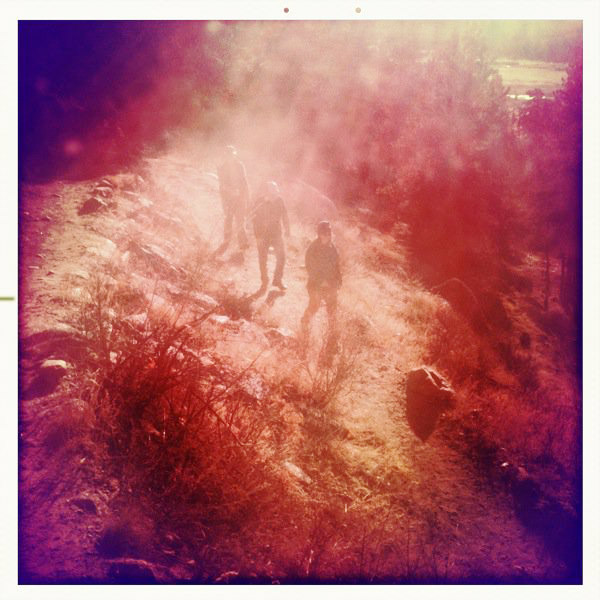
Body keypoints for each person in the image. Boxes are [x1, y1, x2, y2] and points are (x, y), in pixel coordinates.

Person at [300, 221, 342, 353]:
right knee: (314, 306)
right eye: (324, 233)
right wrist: (321, 281)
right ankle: (304, 324)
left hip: (331, 285)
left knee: (333, 312)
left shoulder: (332, 247)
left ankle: (333, 341)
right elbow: (310, 268)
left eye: (328, 233)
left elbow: (336, 266)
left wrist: (339, 280)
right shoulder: (313, 248)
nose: (327, 235)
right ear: (319, 234)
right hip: (316, 285)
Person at [252, 181, 290, 292]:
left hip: (276, 234)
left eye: (275, 191)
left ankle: (277, 280)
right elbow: (254, 219)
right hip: (262, 235)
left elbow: (285, 215)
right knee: (262, 259)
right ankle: (264, 281)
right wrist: (257, 236)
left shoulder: (279, 201)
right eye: (272, 191)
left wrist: (287, 230)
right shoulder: (260, 202)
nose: (275, 193)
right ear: (267, 192)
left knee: (281, 257)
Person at [216, 145, 249, 252]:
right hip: (228, 199)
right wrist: (231, 192)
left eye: (232, 155)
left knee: (240, 220)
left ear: (234, 155)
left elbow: (244, 181)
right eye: (228, 155)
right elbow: (222, 185)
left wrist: (247, 196)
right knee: (228, 219)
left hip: (240, 198)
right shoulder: (222, 168)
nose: (230, 157)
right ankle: (226, 241)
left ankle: (243, 244)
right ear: (225, 155)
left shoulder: (240, 166)